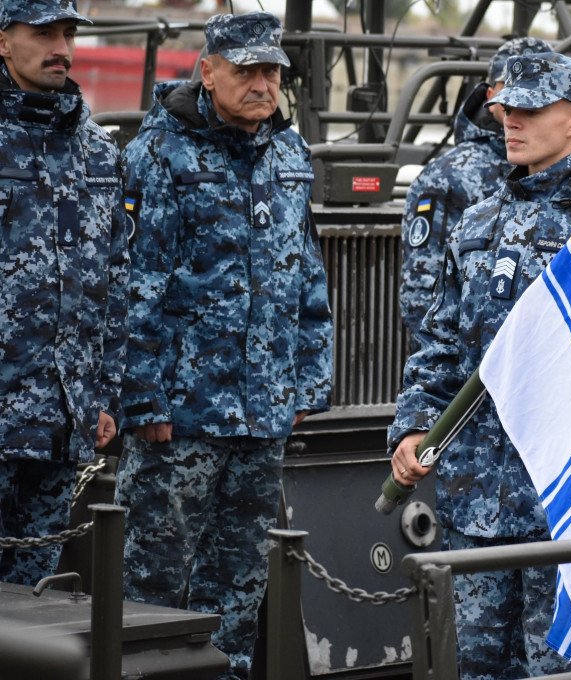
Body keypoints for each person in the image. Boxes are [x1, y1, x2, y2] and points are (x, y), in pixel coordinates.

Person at [388, 52, 571, 679]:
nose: (511, 120)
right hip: (475, 500)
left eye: (530, 109)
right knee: (469, 666)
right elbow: (441, 340)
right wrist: (413, 426)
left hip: (564, 502)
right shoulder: (476, 223)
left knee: (557, 670)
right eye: (506, 109)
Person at [114, 12, 334, 680]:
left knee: (239, 586)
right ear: (207, 72)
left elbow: (307, 278)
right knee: (152, 588)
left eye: (272, 72)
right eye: (246, 71)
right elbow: (135, 286)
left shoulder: (290, 155)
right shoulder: (156, 156)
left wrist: (307, 386)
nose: (263, 85)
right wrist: (142, 397)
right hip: (179, 419)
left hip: (262, 413)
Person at [0, 0, 128, 585]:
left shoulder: (98, 152)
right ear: (4, 41)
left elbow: (116, 279)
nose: (62, 46)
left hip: (60, 422)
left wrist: (104, 391)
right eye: (43, 32)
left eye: (69, 32)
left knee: (35, 610)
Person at [400, 36, 551, 344]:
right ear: (491, 94)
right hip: (471, 369)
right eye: (510, 85)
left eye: (537, 89)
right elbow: (422, 290)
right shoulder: (448, 176)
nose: (522, 98)